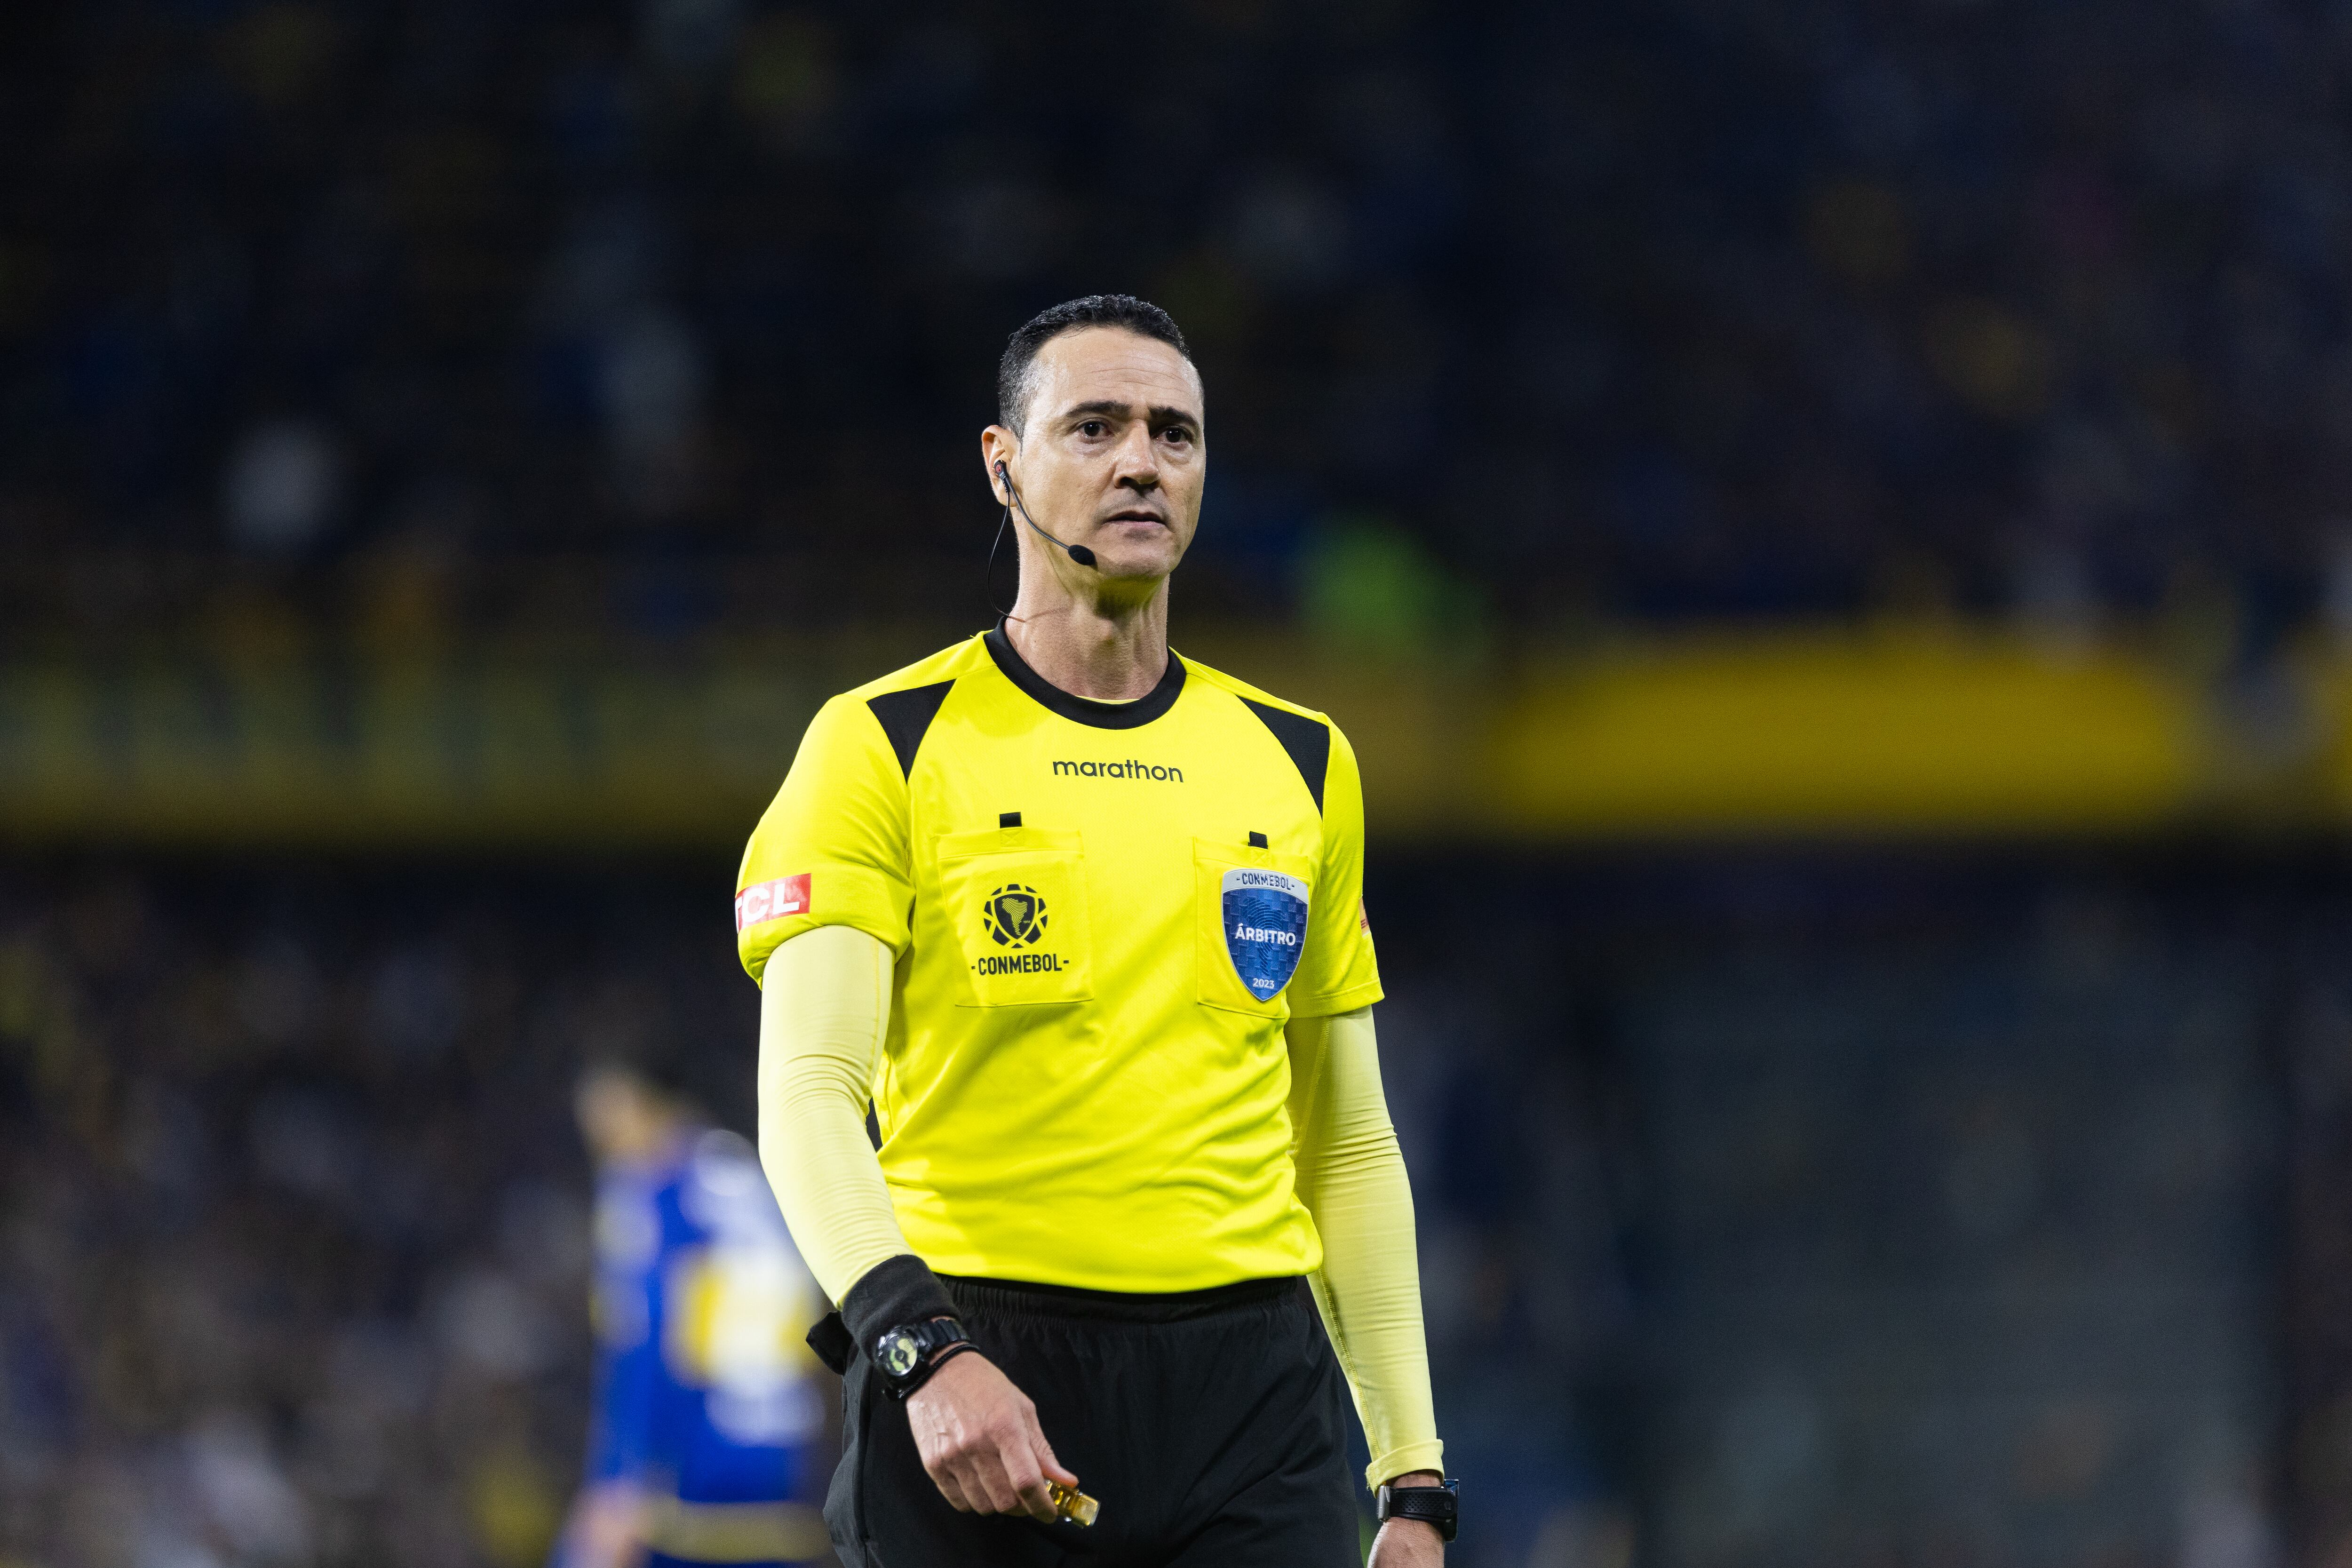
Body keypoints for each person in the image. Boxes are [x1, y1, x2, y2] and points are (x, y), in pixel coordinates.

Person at [737, 294, 1454, 1567]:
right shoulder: (881, 744)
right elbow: (806, 1092)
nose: (1141, 460)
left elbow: (1345, 1141)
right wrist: (919, 1345)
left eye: (1175, 434)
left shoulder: (1299, 759)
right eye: (1096, 427)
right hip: (981, 1363)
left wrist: (1411, 1475)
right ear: (1003, 465)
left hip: (1256, 1402)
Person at [553, 1057, 833, 1568]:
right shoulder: (741, 1170)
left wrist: (623, 1483)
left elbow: (652, 1340)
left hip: (689, 1467)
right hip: (781, 1460)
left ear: (640, 1109)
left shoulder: (649, 1190)